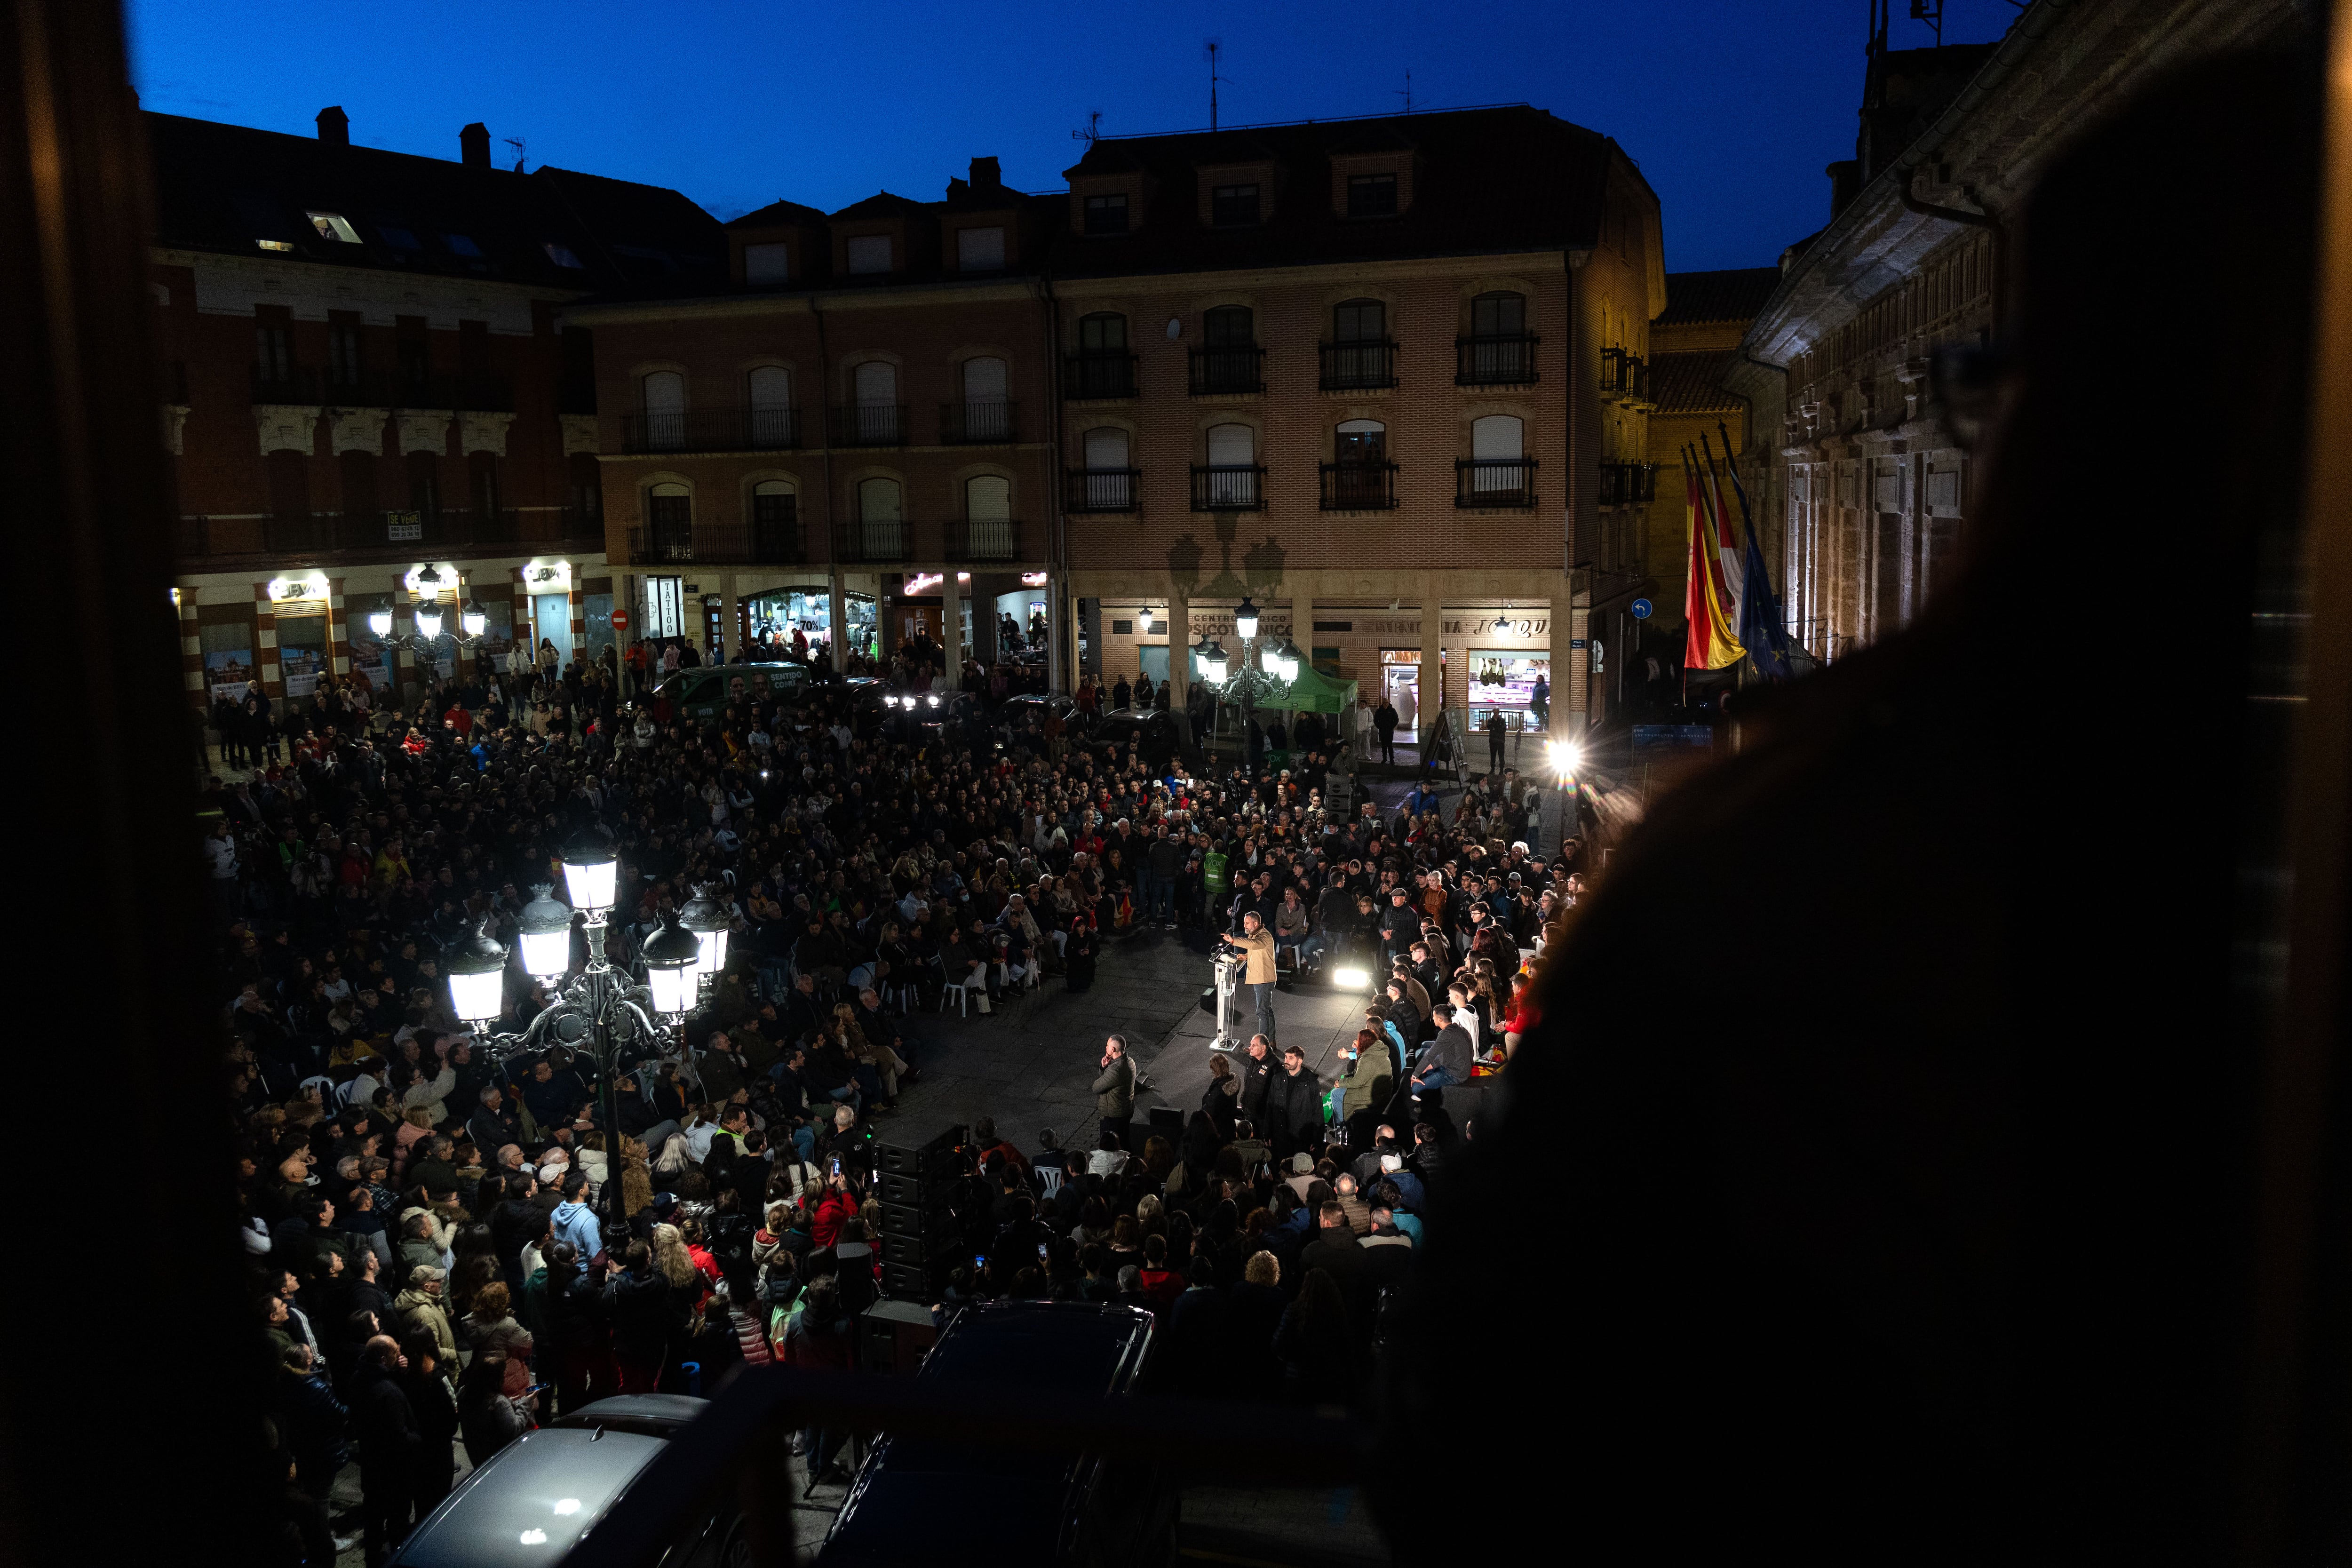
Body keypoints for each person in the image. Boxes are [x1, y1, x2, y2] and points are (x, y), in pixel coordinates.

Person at [1220, 910, 1279, 1046]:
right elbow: (1258, 950)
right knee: (1267, 1010)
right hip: (1264, 978)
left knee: (1262, 1012)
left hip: (1263, 979)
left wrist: (1234, 940)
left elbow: (1254, 945)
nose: (1245, 926)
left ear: (1256, 923)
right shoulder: (1258, 934)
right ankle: (1270, 1041)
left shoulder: (1263, 936)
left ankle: (1262, 1045)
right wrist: (1246, 957)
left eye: (1247, 923)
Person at [1092, 1035, 1138, 1157]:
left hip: (1115, 1114)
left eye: (1108, 1045)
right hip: (1126, 1109)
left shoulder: (1116, 1070)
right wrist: (1104, 1068)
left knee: (1113, 1147)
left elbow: (1096, 1087)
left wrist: (1106, 1070)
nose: (1106, 1047)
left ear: (1112, 1050)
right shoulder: (1130, 1061)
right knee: (1124, 1141)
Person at [1373, 696, 1399, 764]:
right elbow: (1375, 720)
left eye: (1387, 703)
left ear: (1388, 703)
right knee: (1383, 746)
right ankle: (1384, 759)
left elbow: (1396, 719)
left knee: (1390, 745)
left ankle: (1392, 759)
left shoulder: (1392, 710)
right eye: (1384, 703)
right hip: (1382, 731)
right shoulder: (1379, 711)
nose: (1385, 704)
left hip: (1389, 731)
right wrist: (1379, 726)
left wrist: (1392, 726)